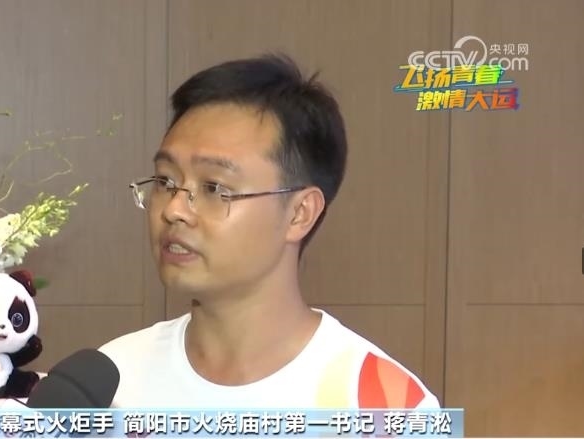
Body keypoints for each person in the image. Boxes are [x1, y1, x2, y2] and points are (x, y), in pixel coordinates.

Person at [99, 53, 439, 409]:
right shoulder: (112, 384)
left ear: (299, 214)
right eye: (166, 181)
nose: (174, 210)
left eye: (214, 187)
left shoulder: (383, 404)